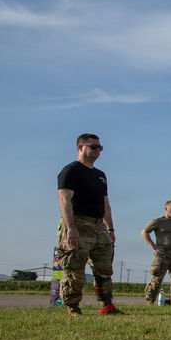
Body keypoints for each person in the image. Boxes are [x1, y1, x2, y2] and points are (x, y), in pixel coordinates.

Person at [55, 133, 119, 316]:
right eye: (93, 146)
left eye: (100, 147)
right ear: (80, 147)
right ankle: (73, 307)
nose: (97, 150)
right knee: (74, 269)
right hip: (78, 223)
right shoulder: (71, 170)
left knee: (104, 269)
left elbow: (105, 204)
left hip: (98, 227)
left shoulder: (100, 175)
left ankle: (106, 306)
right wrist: (71, 228)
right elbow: (64, 199)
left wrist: (110, 228)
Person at [141, 200, 171, 305]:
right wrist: (153, 246)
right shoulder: (158, 221)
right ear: (166, 208)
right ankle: (150, 299)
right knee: (157, 276)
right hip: (163, 252)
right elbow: (144, 232)